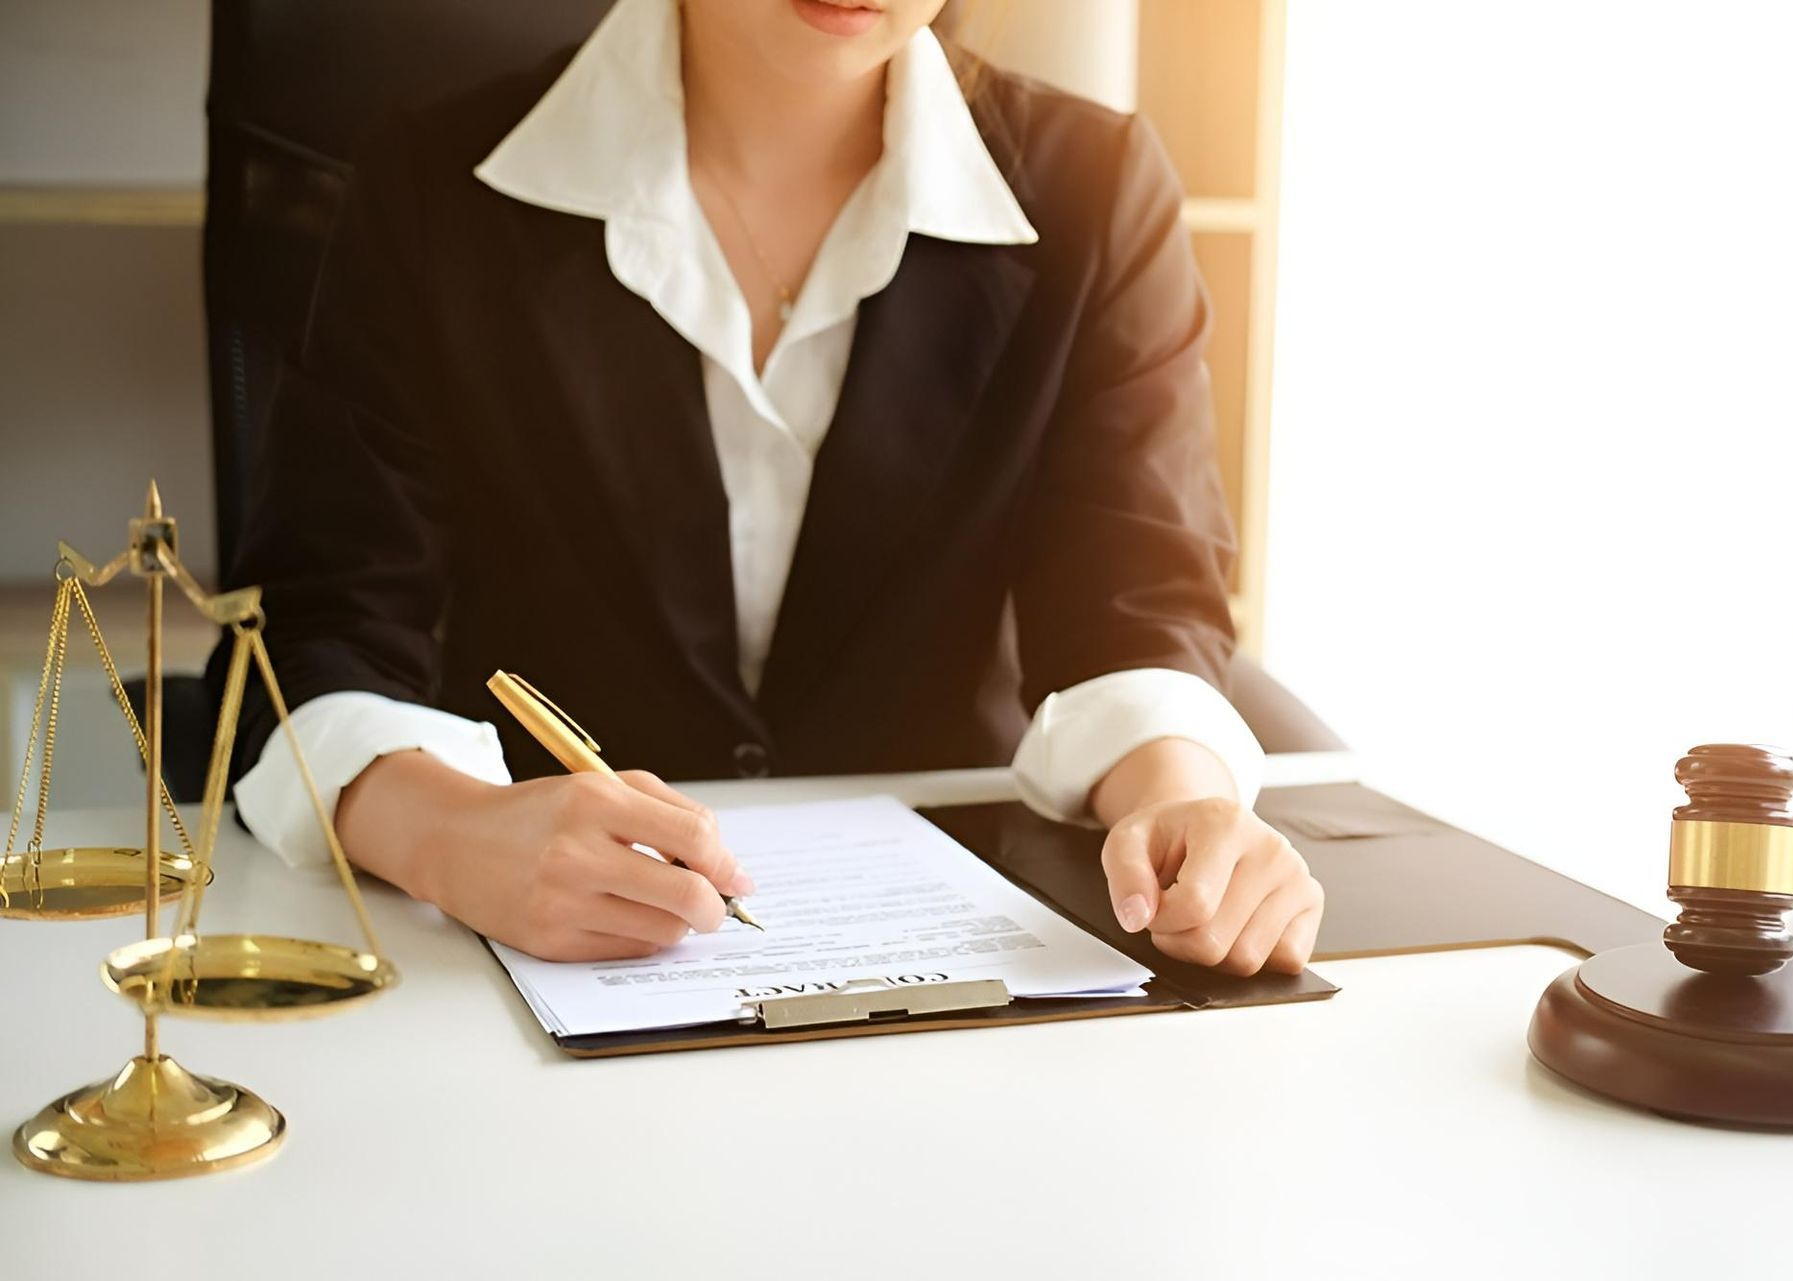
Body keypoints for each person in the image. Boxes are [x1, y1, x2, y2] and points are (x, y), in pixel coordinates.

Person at [226, 0, 1326, 974]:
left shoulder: (1099, 187)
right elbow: (321, 628)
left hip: (947, 961)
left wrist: (1183, 802)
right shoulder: (434, 183)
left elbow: (1135, 599)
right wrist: (452, 834)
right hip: (537, 960)